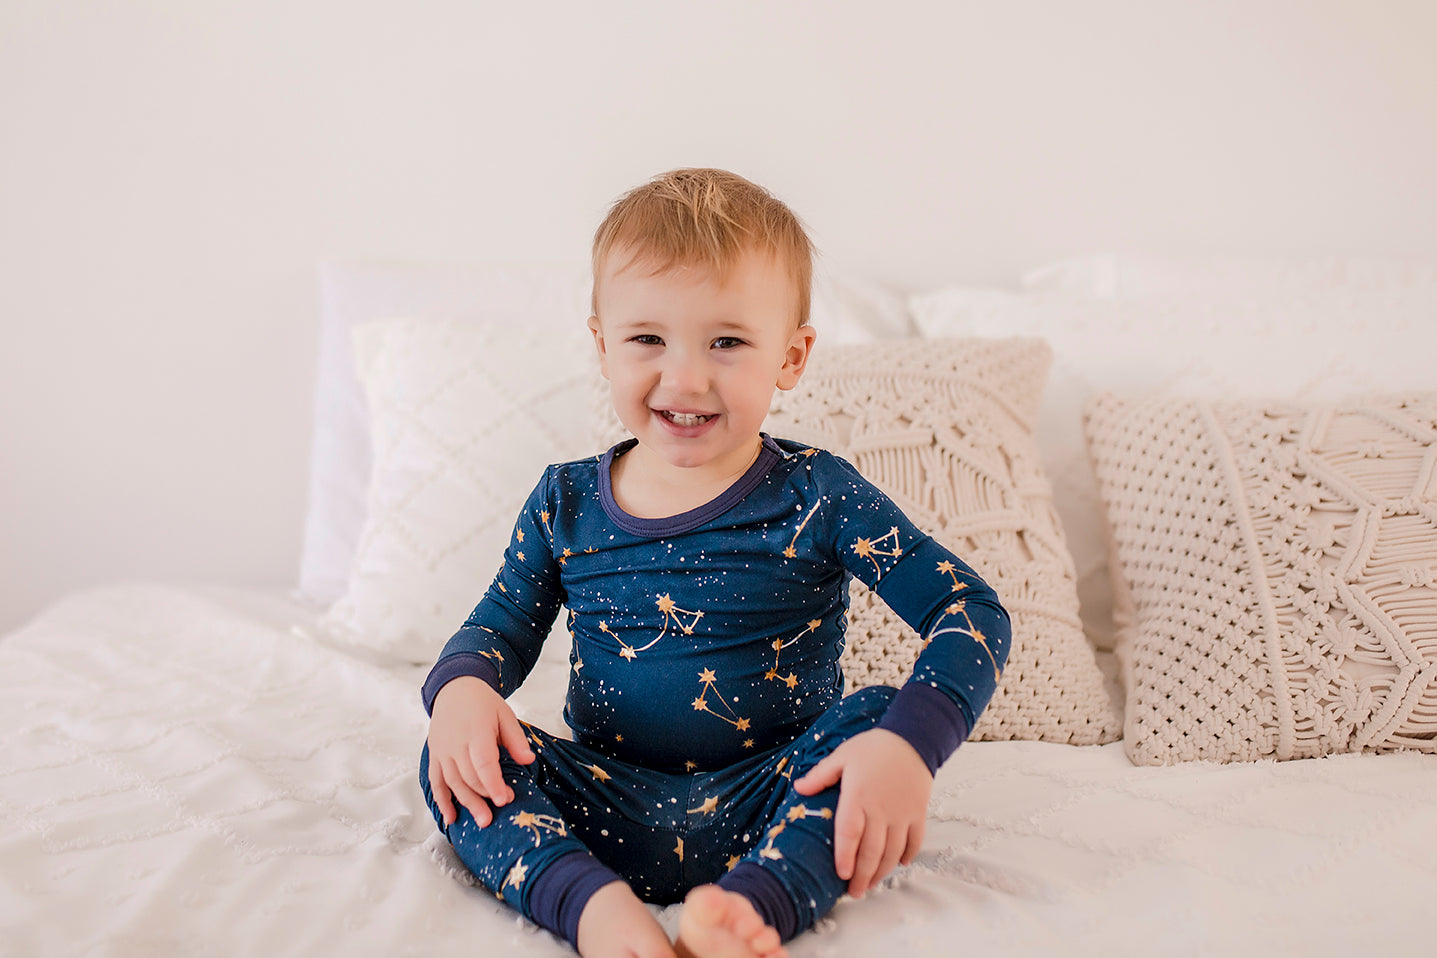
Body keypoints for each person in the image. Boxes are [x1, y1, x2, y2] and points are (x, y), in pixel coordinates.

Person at [419, 168, 1011, 958]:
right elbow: (499, 626)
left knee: (875, 717)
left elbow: (970, 610)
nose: (685, 377)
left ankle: (747, 911)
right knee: (454, 753)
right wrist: (462, 687)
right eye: (646, 339)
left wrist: (910, 744)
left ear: (791, 357)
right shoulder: (564, 503)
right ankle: (591, 909)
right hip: (603, 803)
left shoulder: (818, 494)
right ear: (602, 345)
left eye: (727, 342)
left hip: (777, 795)